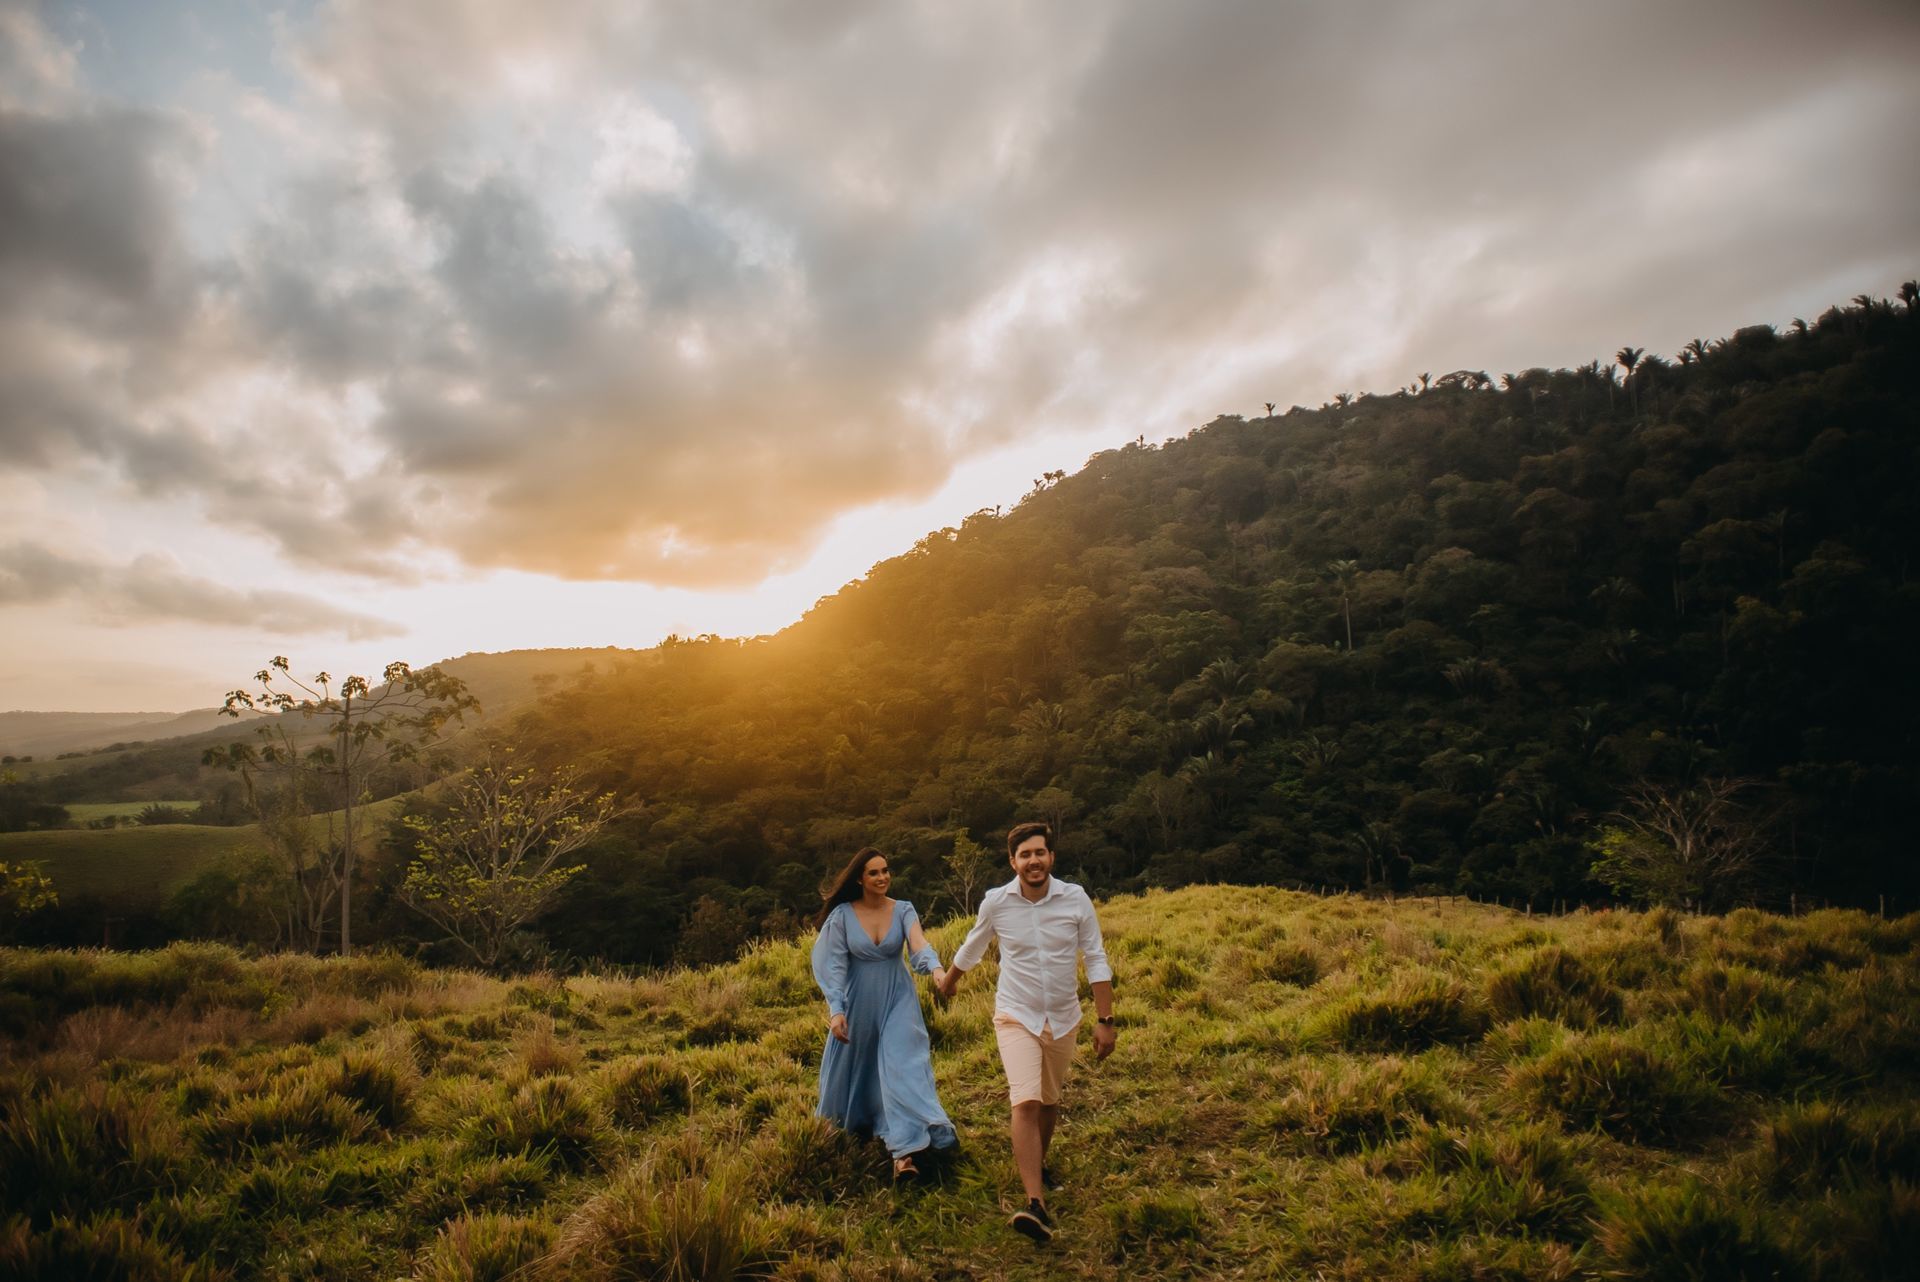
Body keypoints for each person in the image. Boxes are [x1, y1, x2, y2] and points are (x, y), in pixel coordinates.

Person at [936, 821, 1115, 1243]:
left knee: (1049, 1101)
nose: (1033, 860)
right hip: (1016, 1014)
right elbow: (974, 944)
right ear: (1012, 861)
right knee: (1027, 1099)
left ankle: (1039, 1165)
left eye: (1039, 852)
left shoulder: (1075, 898)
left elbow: (1095, 956)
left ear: (1051, 857)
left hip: (1064, 1017)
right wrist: (948, 982)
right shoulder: (997, 902)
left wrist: (1105, 1020)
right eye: (1025, 854)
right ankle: (1035, 1203)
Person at [810, 846, 958, 1179]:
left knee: (902, 1065)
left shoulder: (903, 909)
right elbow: (832, 965)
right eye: (874, 872)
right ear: (859, 879)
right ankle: (864, 1124)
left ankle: (904, 1154)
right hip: (859, 1001)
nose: (882, 877)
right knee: (859, 1066)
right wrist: (836, 1010)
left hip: (898, 998)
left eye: (886, 870)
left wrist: (937, 971)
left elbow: (919, 945)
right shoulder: (843, 916)